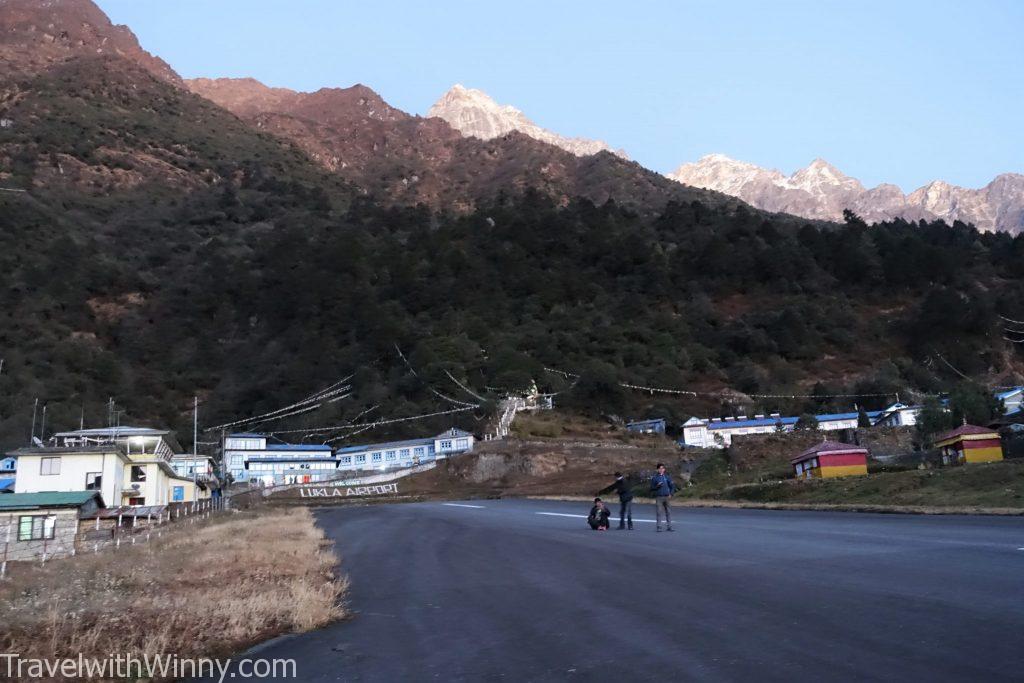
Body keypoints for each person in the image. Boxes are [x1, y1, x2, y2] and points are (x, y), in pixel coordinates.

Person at [649, 463, 677, 532]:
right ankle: (659, 527)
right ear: (657, 469)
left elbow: (672, 486)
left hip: (667, 497)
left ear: (664, 469)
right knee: (659, 512)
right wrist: (657, 486)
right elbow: (651, 488)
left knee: (668, 512)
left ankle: (669, 526)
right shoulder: (655, 478)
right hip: (659, 497)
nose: (661, 470)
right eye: (660, 468)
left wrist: (671, 493)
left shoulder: (667, 477)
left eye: (663, 468)